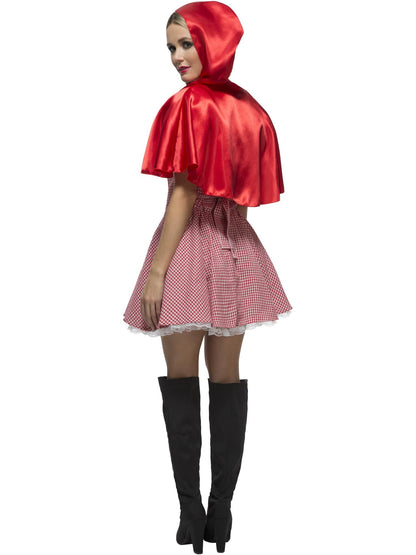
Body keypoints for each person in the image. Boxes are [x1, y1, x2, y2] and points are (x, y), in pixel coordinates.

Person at [123, 2, 293, 552]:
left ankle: (190, 513)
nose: (177, 57)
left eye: (185, 44)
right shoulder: (249, 108)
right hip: (235, 247)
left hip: (188, 247)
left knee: (181, 378)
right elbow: (247, 193)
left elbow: (183, 192)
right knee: (227, 378)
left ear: (211, 42)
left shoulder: (189, 104)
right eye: (171, 48)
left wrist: (157, 272)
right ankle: (222, 513)